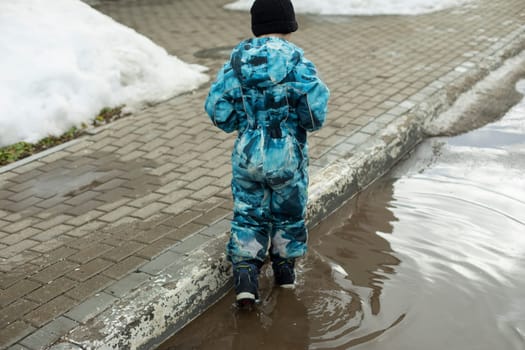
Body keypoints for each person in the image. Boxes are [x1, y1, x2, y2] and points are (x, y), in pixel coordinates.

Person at [204, 0, 329, 307]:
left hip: (247, 155)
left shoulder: (236, 62)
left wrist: (242, 124)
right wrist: (295, 122)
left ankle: (246, 280)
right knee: (288, 215)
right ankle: (285, 276)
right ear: (290, 25)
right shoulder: (298, 62)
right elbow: (315, 114)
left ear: (255, 26)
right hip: (287, 156)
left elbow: (218, 110)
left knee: (249, 214)